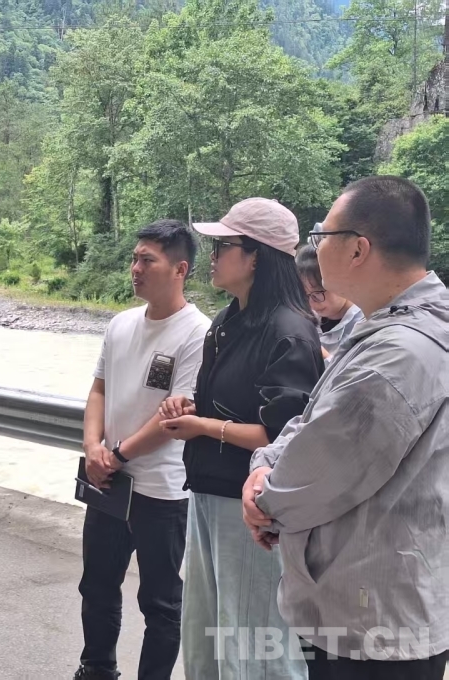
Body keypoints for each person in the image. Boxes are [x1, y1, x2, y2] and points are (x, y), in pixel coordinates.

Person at [243, 176, 449, 679]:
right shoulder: (385, 326)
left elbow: (321, 468)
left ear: (358, 249)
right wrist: (265, 462)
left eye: (323, 235)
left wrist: (265, 499)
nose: (316, 246)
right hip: (369, 605)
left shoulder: (399, 353)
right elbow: (315, 416)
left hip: (373, 623)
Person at [158, 198, 324, 679]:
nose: (212, 256)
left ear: (256, 256)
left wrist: (204, 427)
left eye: (223, 246)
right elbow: (225, 406)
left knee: (254, 646)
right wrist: (189, 407)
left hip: (251, 506)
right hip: (208, 492)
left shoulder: (290, 331)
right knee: (206, 637)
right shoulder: (228, 321)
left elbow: (282, 437)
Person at [75, 221, 211, 680]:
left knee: (160, 601)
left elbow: (176, 417)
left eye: (147, 260)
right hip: (108, 482)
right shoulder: (121, 323)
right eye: (134, 258)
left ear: (180, 269)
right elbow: (98, 389)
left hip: (161, 490)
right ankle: (97, 668)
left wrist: (116, 455)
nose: (135, 268)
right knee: (96, 586)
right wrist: (92, 447)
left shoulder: (197, 333)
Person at [296, 226, 363, 358]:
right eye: (305, 295)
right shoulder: (307, 318)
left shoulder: (362, 324)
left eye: (317, 294)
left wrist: (318, 351)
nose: (312, 304)